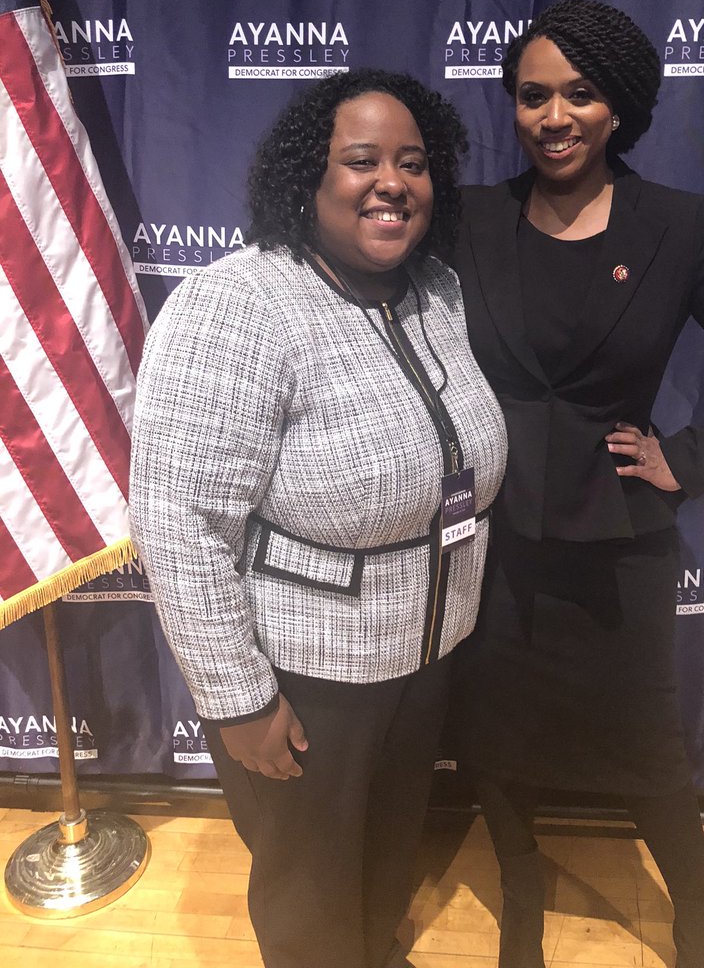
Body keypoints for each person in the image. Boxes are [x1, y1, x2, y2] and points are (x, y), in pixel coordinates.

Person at [451, 0, 704, 968]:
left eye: (581, 94)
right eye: (533, 97)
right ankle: (521, 903)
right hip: (491, 546)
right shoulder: (472, 221)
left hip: (619, 541)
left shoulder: (676, 227)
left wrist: (687, 458)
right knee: (494, 741)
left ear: (620, 108)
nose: (554, 116)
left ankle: (694, 916)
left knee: (645, 749)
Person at [129, 69, 508, 968]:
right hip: (304, 681)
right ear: (309, 176)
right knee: (309, 892)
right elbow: (179, 522)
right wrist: (238, 698)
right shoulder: (238, 305)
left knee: (382, 861)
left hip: (422, 656)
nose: (392, 182)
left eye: (412, 164)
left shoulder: (437, 292)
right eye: (362, 160)